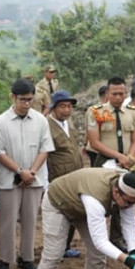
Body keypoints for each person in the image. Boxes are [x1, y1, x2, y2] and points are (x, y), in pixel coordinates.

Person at [0, 79, 55, 269]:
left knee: (30, 219)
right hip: (10, 178)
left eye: (29, 100)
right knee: (7, 221)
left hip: (34, 178)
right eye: (22, 100)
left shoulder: (40, 120)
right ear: (13, 97)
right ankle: (5, 259)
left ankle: (26, 257)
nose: (26, 104)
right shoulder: (1, 122)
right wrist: (20, 171)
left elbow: (45, 149)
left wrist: (32, 172)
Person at [86, 76, 135, 252]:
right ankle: (95, 237)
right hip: (103, 161)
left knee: (124, 199)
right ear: (107, 93)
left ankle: (117, 237)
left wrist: (129, 157)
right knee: (99, 198)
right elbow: (94, 142)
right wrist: (119, 156)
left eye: (121, 93)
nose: (118, 97)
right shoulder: (96, 111)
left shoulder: (132, 111)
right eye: (114, 93)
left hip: (125, 163)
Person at [46, 90, 84, 258]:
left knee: (74, 212)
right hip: (58, 177)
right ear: (54, 108)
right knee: (60, 216)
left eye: (69, 107)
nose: (67, 110)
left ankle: (65, 247)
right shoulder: (46, 125)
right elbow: (45, 154)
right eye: (62, 106)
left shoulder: (70, 124)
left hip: (75, 175)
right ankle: (56, 250)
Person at [84, 85, 108, 167]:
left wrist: (85, 144)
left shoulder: (91, 109)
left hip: (92, 148)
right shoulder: (100, 111)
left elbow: (87, 130)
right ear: (107, 94)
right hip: (99, 149)